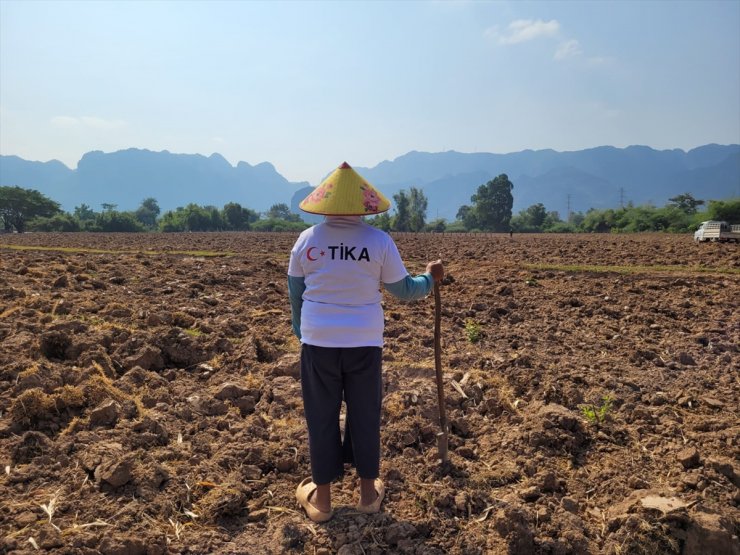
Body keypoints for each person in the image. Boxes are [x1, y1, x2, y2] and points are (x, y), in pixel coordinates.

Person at [287, 162, 444, 522]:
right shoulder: (378, 241)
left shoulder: (308, 240)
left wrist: (302, 331)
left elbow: (296, 293)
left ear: (325, 204)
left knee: (321, 416)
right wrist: (430, 278)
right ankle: (368, 494)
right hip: (364, 343)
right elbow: (404, 290)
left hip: (319, 344)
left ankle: (322, 502)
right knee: (364, 412)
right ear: (363, 207)